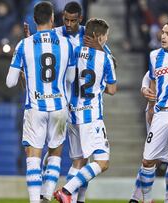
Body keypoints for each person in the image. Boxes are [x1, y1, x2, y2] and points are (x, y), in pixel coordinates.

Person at [5, 2, 75, 203]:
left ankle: (35, 201)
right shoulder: (65, 44)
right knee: (55, 153)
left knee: (33, 157)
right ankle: (46, 195)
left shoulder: (23, 45)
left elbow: (10, 82)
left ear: (35, 20)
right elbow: (69, 78)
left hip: (35, 107)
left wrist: (25, 73)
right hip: (59, 108)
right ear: (53, 19)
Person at [53, 18, 117, 203]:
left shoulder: (73, 51)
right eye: (105, 36)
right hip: (91, 116)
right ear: (98, 36)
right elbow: (112, 90)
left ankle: (75, 200)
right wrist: (101, 83)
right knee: (102, 163)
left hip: (72, 115)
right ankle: (66, 191)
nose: (106, 39)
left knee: (79, 163)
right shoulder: (105, 57)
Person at [132, 18, 168, 203]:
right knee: (148, 161)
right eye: (163, 32)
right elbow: (152, 80)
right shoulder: (154, 55)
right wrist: (148, 102)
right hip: (161, 113)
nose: (163, 36)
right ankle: (145, 199)